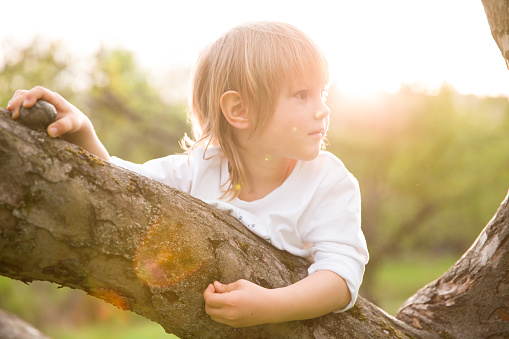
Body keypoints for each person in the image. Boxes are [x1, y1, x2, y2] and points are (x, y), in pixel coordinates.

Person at [7, 21, 368, 328]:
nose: (323, 110)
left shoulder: (328, 183)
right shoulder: (201, 168)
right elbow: (123, 188)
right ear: (238, 110)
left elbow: (340, 275)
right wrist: (84, 132)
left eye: (322, 93)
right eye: (302, 95)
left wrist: (269, 305)